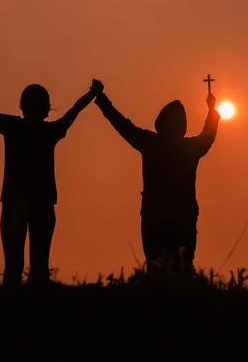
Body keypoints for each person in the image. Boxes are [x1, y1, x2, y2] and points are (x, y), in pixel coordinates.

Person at [0, 74, 99, 289]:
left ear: (22, 106)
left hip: (14, 202)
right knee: (40, 268)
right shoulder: (50, 131)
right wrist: (92, 93)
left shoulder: (13, 126)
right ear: (46, 108)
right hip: (42, 203)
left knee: (13, 267)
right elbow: (75, 110)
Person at [92, 80, 221, 276]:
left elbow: (122, 124)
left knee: (155, 268)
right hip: (182, 215)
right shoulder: (190, 148)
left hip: (155, 215)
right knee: (183, 269)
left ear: (160, 123)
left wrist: (102, 100)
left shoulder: (150, 143)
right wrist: (211, 111)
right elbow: (209, 134)